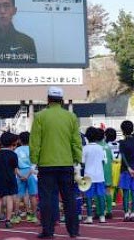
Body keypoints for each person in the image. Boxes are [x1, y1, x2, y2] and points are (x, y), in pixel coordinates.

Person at [30, 86, 82, 239]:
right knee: (69, 198)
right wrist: (77, 161)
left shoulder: (40, 117)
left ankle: (48, 230)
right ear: (62, 100)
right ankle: (73, 231)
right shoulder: (71, 117)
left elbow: (35, 142)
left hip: (46, 165)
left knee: (47, 199)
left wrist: (34, 162)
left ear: (48, 99)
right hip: (67, 164)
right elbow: (76, 142)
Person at [0, 132, 19, 229]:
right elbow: (15, 170)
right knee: (9, 199)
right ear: (12, 143)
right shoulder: (13, 154)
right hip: (10, 178)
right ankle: (8, 220)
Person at [81, 127, 107, 224]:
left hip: (88, 175)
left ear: (87, 137)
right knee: (100, 196)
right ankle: (102, 216)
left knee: (88, 197)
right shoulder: (100, 148)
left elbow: (82, 162)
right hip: (100, 175)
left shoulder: (85, 148)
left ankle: (89, 217)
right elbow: (103, 161)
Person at [118, 121, 134, 222]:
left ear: (122, 130)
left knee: (126, 192)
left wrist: (128, 168)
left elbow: (123, 157)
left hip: (126, 170)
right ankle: (133, 213)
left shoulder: (122, 143)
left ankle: (126, 213)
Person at [15, 131, 38, 224]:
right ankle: (34, 216)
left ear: (20, 140)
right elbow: (34, 164)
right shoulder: (33, 149)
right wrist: (28, 175)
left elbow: (15, 165)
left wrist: (20, 175)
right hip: (31, 173)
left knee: (18, 196)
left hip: (20, 172)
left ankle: (16, 216)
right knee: (32, 196)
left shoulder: (16, 150)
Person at [98, 128, 114, 219]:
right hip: (108, 170)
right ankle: (109, 211)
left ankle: (100, 211)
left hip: (99, 171)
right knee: (108, 191)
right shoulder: (108, 146)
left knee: (98, 191)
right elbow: (111, 159)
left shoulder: (96, 146)